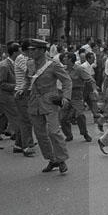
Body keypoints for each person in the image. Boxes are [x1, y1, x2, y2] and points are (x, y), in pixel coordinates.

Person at [20, 39, 72, 173]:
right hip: (34, 102)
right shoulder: (30, 64)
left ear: (42, 50)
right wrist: (22, 89)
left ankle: (61, 159)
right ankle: (52, 159)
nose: (31, 52)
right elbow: (28, 80)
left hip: (49, 100)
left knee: (53, 131)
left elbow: (67, 81)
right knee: (40, 134)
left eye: (34, 50)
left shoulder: (53, 65)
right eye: (30, 50)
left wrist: (66, 97)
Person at [0, 42, 29, 153]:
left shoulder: (14, 63)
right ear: (14, 53)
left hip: (6, 97)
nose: (22, 54)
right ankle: (22, 143)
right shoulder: (4, 66)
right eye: (20, 52)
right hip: (7, 97)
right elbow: (1, 83)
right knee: (18, 119)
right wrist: (17, 86)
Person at [59, 53, 94, 142]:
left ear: (70, 59)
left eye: (65, 58)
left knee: (80, 115)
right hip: (66, 94)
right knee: (62, 117)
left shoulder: (79, 69)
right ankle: (68, 135)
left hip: (76, 94)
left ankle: (85, 133)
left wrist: (93, 90)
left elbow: (89, 79)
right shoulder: (63, 69)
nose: (63, 59)